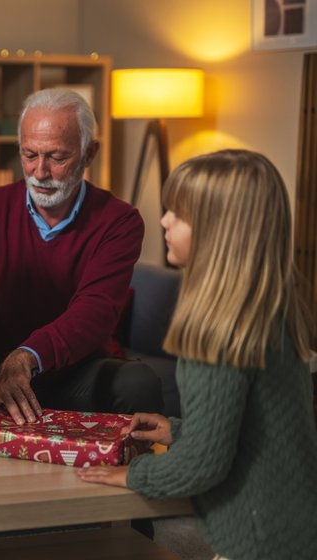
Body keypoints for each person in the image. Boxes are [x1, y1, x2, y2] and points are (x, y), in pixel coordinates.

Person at [78, 149, 317, 559]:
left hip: (256, 541)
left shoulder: (220, 333)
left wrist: (135, 473)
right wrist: (182, 430)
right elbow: (256, 430)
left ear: (219, 230)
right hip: (296, 524)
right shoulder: (268, 312)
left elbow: (201, 467)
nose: (164, 220)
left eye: (178, 214)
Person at [0, 88, 163, 435]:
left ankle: (134, 482)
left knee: (137, 382)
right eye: (30, 155)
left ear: (90, 153)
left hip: (72, 375)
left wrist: (27, 356)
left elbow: (96, 312)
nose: (39, 172)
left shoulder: (120, 221)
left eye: (57, 157)